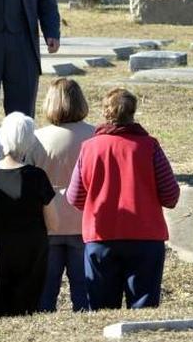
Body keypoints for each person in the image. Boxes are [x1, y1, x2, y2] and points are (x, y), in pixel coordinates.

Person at [67, 88, 180, 310]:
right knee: (144, 314)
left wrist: (95, 203)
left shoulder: (89, 148)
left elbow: (75, 196)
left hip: (101, 237)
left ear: (105, 113)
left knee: (101, 311)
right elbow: (170, 195)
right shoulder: (149, 146)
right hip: (146, 238)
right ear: (133, 112)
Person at [32, 77, 94, 312]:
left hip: (48, 223)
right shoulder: (95, 135)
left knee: (46, 292)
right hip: (84, 223)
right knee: (84, 291)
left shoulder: (36, 138)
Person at [0, 112, 58, 317]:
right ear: (30, 141)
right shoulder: (37, 176)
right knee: (27, 307)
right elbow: (53, 223)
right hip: (32, 249)